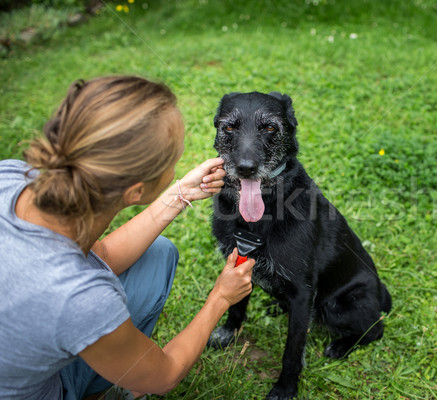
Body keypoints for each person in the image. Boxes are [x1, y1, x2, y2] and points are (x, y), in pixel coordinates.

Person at [0, 76, 254, 399]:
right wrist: (221, 296)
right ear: (135, 192)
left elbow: (98, 255)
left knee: (157, 254)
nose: (176, 164)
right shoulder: (81, 299)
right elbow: (165, 375)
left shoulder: (12, 177)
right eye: (172, 160)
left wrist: (179, 194)